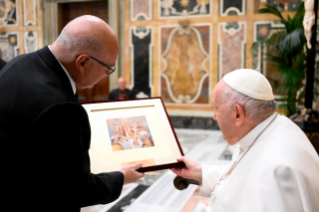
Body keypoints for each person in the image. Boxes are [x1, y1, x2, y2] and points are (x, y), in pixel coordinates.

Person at [0, 15, 144, 212]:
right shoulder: (61, 108)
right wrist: (121, 177)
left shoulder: (19, 62)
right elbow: (76, 190)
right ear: (83, 62)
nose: (106, 77)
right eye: (108, 69)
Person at [172, 69, 319, 212]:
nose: (214, 116)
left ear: (237, 114)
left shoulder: (277, 172)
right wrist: (199, 172)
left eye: (217, 108)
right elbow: (240, 178)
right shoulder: (271, 128)